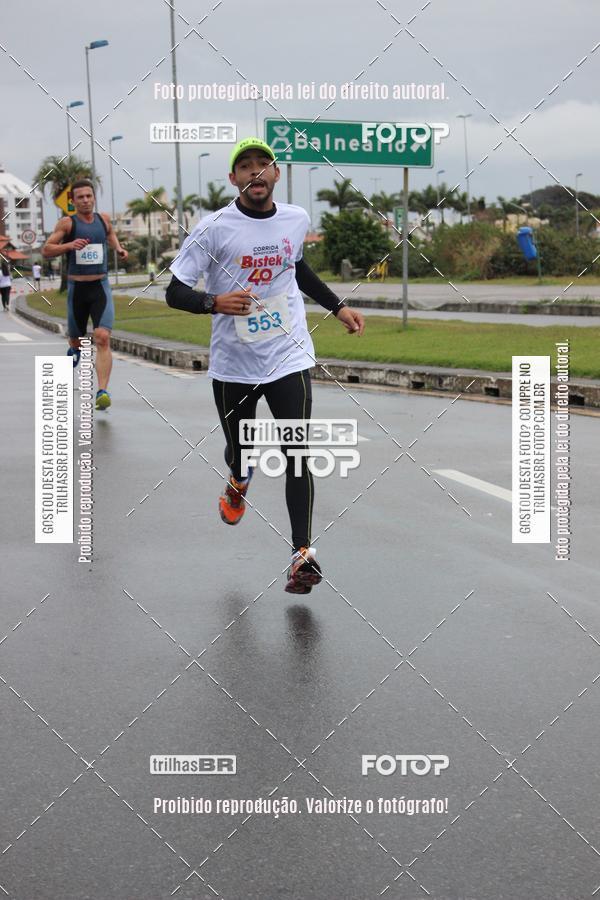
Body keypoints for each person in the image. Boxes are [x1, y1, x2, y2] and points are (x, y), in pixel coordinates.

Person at [166, 138, 364, 594]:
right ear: (233, 178)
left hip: (287, 355)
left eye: (264, 164)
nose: (256, 172)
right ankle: (238, 477)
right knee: (242, 451)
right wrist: (213, 301)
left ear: (276, 174)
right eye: (246, 166)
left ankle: (302, 555)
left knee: (297, 452)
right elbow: (175, 292)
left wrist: (338, 308)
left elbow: (297, 268)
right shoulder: (213, 228)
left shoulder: (296, 219)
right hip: (233, 364)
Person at [42, 179, 128, 411]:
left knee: (102, 337)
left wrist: (118, 249)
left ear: (94, 197)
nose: (86, 200)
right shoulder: (67, 223)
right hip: (77, 290)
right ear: (73, 201)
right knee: (76, 340)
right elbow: (47, 249)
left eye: (89, 196)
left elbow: (110, 235)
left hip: (100, 287)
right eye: (80, 197)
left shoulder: (103, 220)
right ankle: (75, 348)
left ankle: (102, 392)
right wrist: (68, 246)